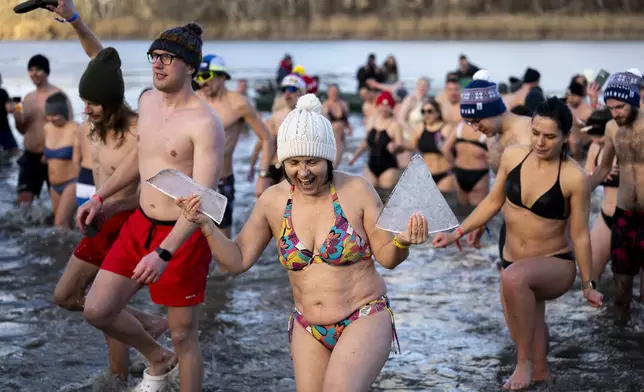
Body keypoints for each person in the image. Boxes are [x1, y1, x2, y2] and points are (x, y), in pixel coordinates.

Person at [176, 93, 428, 391]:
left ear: (328, 158)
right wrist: (205, 224)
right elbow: (237, 260)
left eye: (312, 161)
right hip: (308, 326)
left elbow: (387, 258)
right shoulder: (272, 201)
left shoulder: (357, 190)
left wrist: (402, 241)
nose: (303, 172)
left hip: (364, 315)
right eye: (293, 162)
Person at [66, 3, 224, 389]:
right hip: (140, 224)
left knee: (185, 334)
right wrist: (100, 197)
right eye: (155, 56)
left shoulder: (205, 123)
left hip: (183, 235)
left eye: (167, 58)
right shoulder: (148, 102)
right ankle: (157, 357)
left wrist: (165, 252)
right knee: (98, 308)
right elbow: (141, 161)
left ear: (189, 66)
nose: (158, 64)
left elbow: (202, 200)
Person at [434, 97, 603, 390]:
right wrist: (456, 233)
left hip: (556, 264)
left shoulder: (574, 177)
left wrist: (588, 284)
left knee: (513, 280)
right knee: (525, 323)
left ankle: (522, 364)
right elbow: (493, 201)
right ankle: (540, 372)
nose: (540, 141)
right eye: (536, 133)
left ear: (565, 137)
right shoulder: (512, 156)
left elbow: (579, 235)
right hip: (513, 259)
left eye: (550, 137)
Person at [49, 3, 168, 385]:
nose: (85, 111)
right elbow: (100, 57)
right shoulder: (95, 120)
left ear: (113, 100)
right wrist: (73, 18)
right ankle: (150, 325)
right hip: (100, 217)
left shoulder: (137, 131)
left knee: (107, 309)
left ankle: (120, 377)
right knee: (67, 297)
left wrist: (109, 202)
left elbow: (152, 194)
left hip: (126, 221)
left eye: (93, 104)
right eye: (83, 102)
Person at [195, 54, 274, 237]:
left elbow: (266, 138)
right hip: (192, 179)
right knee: (190, 241)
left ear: (222, 76)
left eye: (206, 76)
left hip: (221, 181)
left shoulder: (238, 104)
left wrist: (262, 175)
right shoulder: (194, 100)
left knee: (222, 238)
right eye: (198, 77)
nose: (201, 82)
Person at [588, 70, 644, 324]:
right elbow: (602, 169)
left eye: (620, 107)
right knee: (621, 293)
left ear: (633, 101)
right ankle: (619, 339)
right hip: (623, 216)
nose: (616, 113)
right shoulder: (611, 128)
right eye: (611, 108)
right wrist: (578, 191)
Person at [459, 70, 532, 248]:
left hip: (538, 232)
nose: (475, 129)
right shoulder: (492, 137)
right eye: (470, 123)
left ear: (492, 110)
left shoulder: (529, 130)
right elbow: (500, 188)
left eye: (476, 121)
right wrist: (481, 221)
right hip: (509, 228)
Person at [13, 54, 72, 205]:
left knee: (57, 203)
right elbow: (22, 130)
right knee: (23, 202)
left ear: (46, 72)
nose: (34, 73)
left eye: (38, 69)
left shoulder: (58, 96)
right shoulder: (26, 98)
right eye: (31, 70)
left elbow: (69, 128)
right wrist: (16, 116)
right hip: (30, 156)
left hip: (52, 157)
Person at [582, 109, 619, 283]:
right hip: (606, 217)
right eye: (593, 136)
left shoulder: (626, 145)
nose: (596, 140)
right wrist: (599, 171)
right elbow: (585, 175)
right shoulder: (595, 148)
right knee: (589, 274)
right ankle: (592, 310)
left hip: (632, 217)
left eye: (600, 136)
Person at [250, 74, 306, 186]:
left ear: (301, 92)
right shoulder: (276, 117)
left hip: (296, 169)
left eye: (292, 89)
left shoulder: (309, 118)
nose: (287, 93)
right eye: (285, 89)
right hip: (274, 165)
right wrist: (253, 167)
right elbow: (261, 143)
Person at [349, 91, 405, 191]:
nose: (384, 108)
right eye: (382, 105)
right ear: (378, 106)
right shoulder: (371, 121)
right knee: (368, 192)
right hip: (371, 165)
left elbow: (401, 146)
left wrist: (395, 147)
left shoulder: (395, 125)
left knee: (385, 193)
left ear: (391, 107)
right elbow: (366, 142)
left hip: (389, 167)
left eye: (387, 105)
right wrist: (354, 157)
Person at [42, 91, 78, 228]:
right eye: (49, 115)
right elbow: (48, 151)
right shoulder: (47, 128)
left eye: (55, 115)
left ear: (64, 113)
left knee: (60, 223)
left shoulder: (76, 129)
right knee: (64, 227)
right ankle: (70, 249)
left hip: (72, 182)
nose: (51, 119)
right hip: (54, 185)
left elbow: (86, 157)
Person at [408, 98, 453, 192]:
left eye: (429, 111)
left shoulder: (446, 128)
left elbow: (454, 151)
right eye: (423, 111)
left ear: (437, 113)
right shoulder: (420, 128)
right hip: (425, 176)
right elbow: (410, 147)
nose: (426, 115)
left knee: (443, 203)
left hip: (444, 174)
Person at [442, 121, 490, 207]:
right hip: (479, 174)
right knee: (477, 212)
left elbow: (445, 149)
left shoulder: (460, 127)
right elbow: (494, 157)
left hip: (460, 171)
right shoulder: (487, 129)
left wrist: (454, 165)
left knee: (462, 212)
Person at [321, 83, 353, 167]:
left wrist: (349, 128)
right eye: (332, 91)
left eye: (335, 91)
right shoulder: (325, 105)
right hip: (333, 135)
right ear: (328, 93)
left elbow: (346, 119)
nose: (334, 93)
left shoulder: (343, 104)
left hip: (343, 134)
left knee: (343, 156)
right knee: (335, 157)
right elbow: (323, 123)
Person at [0, 72, 19, 155]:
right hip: (3, 127)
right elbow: (10, 109)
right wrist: (17, 106)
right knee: (14, 150)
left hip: (3, 127)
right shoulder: (2, 92)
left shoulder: (3, 92)